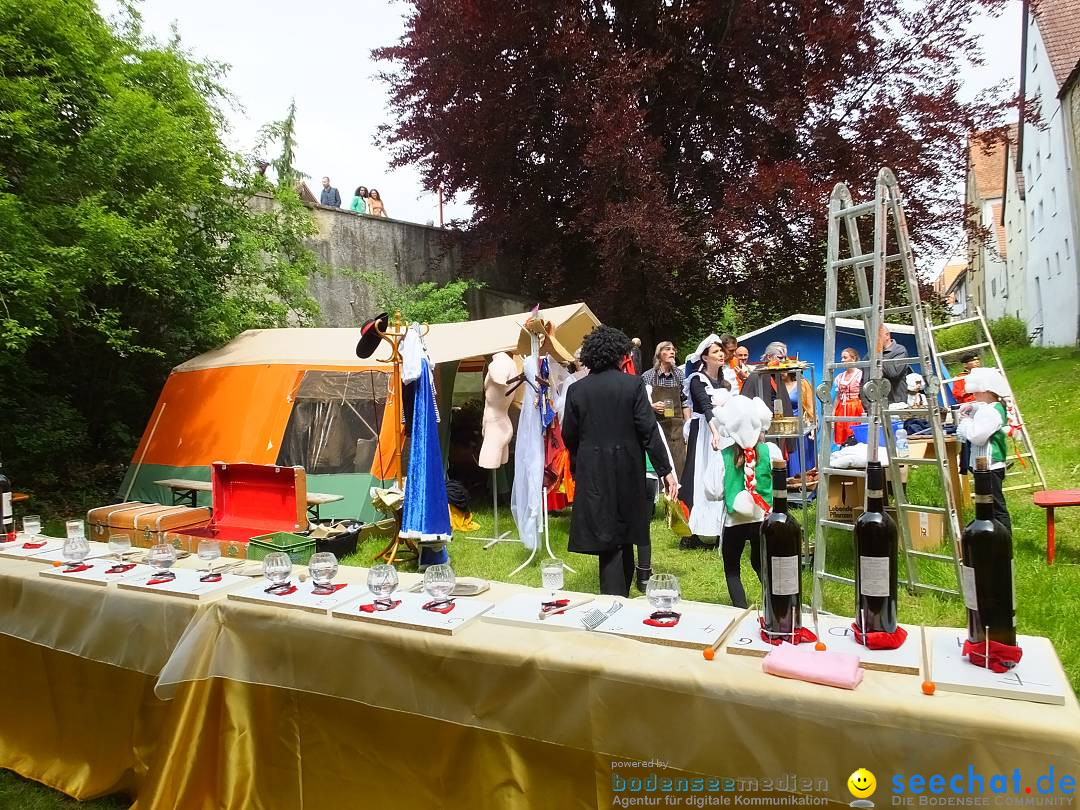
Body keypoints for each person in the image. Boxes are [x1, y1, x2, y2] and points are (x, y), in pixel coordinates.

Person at [562, 326, 677, 596]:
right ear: (618, 354)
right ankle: (614, 602)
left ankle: (618, 598)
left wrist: (583, 462)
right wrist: (665, 470)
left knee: (609, 536)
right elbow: (648, 430)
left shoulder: (577, 390)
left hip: (593, 470)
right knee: (622, 535)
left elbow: (569, 434)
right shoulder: (633, 385)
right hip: (627, 468)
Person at [701, 395, 782, 607]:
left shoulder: (722, 456)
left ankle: (740, 609)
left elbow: (713, 491)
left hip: (734, 521)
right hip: (763, 518)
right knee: (761, 564)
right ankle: (774, 605)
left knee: (732, 569)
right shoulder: (770, 451)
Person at [679, 334, 731, 551]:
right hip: (704, 434)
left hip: (723, 430)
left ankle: (721, 528)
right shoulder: (697, 380)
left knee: (723, 477)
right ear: (705, 358)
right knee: (701, 477)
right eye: (715, 352)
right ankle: (695, 531)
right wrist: (715, 434)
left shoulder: (726, 380)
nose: (720, 355)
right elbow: (705, 407)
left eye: (721, 351)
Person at [955, 367, 1013, 532]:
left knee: (995, 505)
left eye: (977, 392)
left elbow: (977, 435)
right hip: (986, 465)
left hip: (989, 465)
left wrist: (965, 423)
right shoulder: (992, 407)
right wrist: (972, 409)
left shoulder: (991, 412)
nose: (974, 395)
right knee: (988, 504)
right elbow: (981, 411)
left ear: (986, 391)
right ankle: (992, 536)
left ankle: (1004, 538)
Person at [860, 325, 910, 409]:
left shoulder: (899, 351)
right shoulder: (870, 355)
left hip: (895, 404)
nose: (875, 339)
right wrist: (865, 402)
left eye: (878, 336)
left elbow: (893, 373)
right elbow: (863, 378)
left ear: (887, 335)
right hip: (873, 405)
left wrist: (878, 355)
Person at [783, 370, 816, 476]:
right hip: (784, 427)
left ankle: (806, 486)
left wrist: (813, 427)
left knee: (802, 458)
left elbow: (811, 406)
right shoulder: (777, 385)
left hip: (800, 426)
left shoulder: (802, 384)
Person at [833, 347, 864, 446]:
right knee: (842, 437)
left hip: (855, 408)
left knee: (854, 435)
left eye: (845, 357)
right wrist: (833, 412)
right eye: (842, 357)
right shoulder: (840, 377)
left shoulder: (860, 374)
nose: (842, 360)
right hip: (841, 408)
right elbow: (838, 396)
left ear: (853, 358)